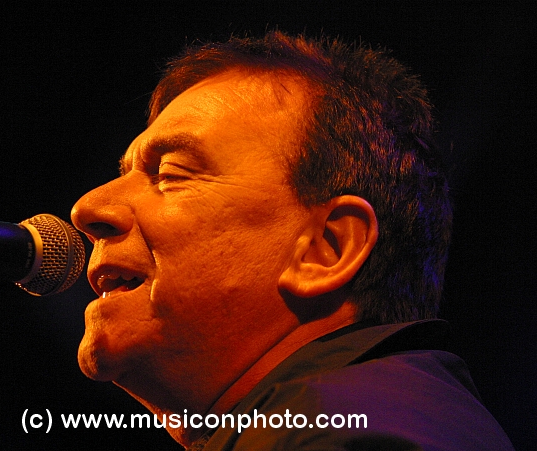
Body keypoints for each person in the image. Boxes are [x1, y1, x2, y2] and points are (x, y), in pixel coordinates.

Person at [70, 31, 514, 450]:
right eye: (125, 174)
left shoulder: (335, 434)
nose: (88, 208)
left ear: (327, 249)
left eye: (170, 173)